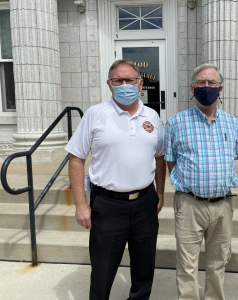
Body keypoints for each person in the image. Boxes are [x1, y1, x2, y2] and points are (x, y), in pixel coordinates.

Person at [66, 59, 165, 300]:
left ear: (140, 83)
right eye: (118, 80)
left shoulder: (152, 116)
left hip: (145, 203)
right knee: (102, 270)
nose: (124, 85)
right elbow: (76, 158)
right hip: (108, 205)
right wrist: (81, 205)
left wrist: (160, 194)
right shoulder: (96, 114)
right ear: (109, 85)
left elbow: (160, 157)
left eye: (130, 80)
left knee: (144, 268)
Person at [164, 63, 238, 300]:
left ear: (221, 88)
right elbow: (170, 161)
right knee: (187, 265)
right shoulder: (176, 122)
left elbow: (234, 157)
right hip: (189, 204)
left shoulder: (232, 122)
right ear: (192, 87)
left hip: (223, 204)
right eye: (201, 82)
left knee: (218, 262)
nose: (206, 87)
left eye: (212, 83)